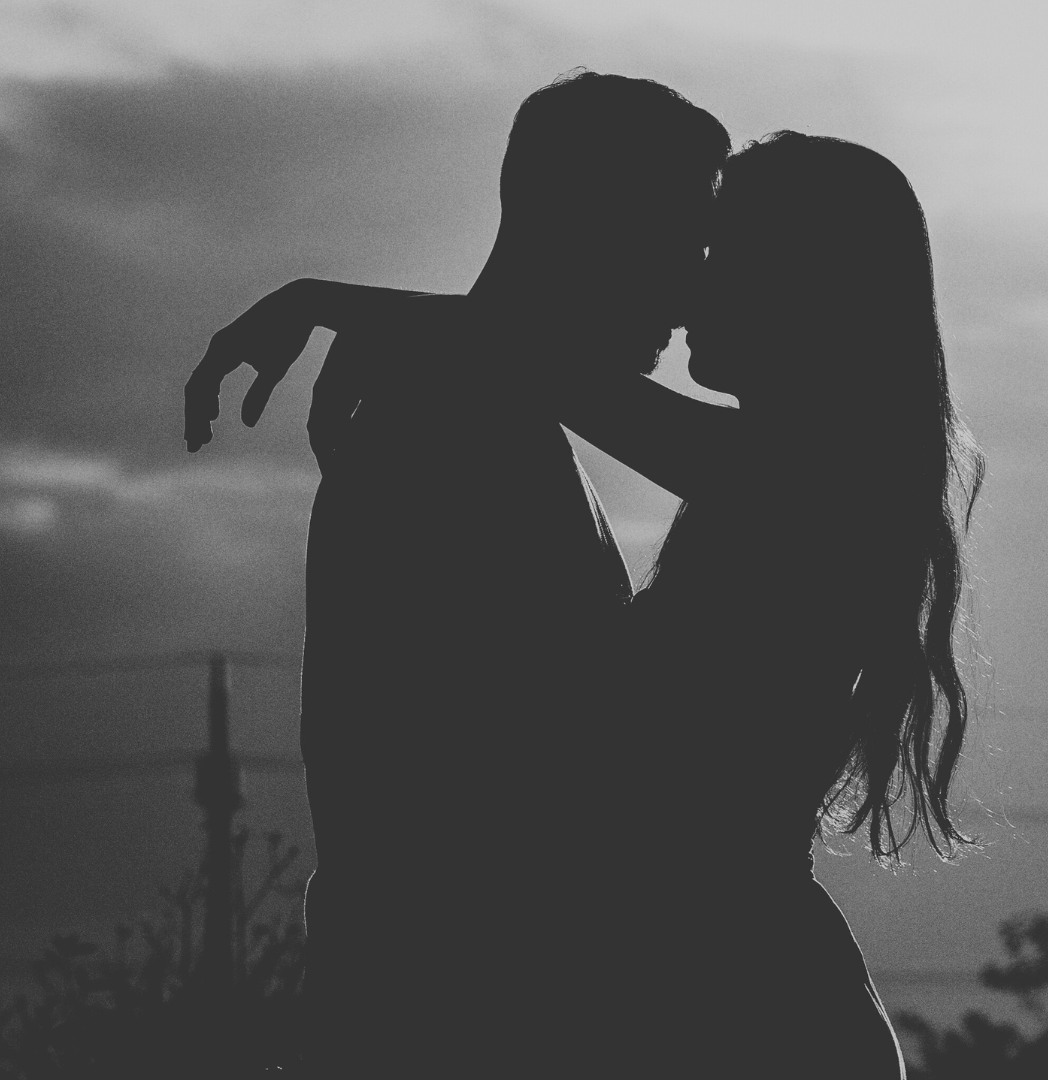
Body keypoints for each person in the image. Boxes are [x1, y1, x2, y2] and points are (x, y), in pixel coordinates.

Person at [229, 130, 981, 1077]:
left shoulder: (810, 479)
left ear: (805, 286)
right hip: (736, 1008)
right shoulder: (801, 478)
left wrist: (328, 301)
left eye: (725, 256)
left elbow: (547, 367)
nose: (691, 289)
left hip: (754, 1018)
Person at [185, 72, 729, 1077]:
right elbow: (480, 796)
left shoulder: (473, 400)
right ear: (593, 226)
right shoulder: (454, 423)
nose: (695, 285)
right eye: (680, 239)